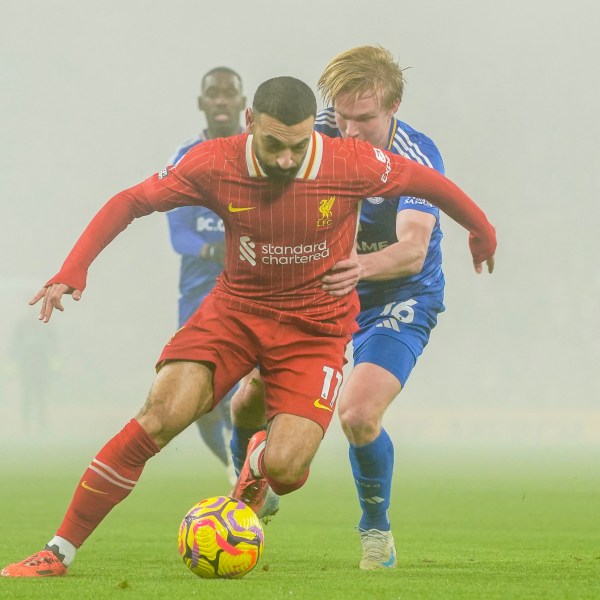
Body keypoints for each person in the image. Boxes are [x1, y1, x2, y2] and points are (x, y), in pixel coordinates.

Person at [2, 75, 495, 578]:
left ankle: (259, 461)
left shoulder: (349, 162)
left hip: (315, 331)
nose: (286, 159)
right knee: (159, 414)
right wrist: (74, 267)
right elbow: (131, 201)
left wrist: (481, 228)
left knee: (286, 470)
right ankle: (57, 552)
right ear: (250, 123)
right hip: (235, 314)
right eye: (274, 145)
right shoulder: (214, 162)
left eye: (298, 146)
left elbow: (429, 183)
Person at [229, 46, 494, 570]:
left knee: (357, 414)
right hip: (322, 293)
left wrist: (356, 266)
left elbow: (413, 248)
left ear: (393, 108)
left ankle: (376, 529)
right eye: (343, 117)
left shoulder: (416, 155)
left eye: (365, 119)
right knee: (243, 405)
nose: (351, 132)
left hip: (397, 296)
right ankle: (253, 486)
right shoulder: (316, 132)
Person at [166, 67, 246, 483]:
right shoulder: (186, 156)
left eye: (227, 93)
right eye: (212, 93)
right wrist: (213, 248)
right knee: (198, 400)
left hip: (253, 290)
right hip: (199, 293)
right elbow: (177, 232)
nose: (220, 100)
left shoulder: (257, 152)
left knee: (249, 393)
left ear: (242, 102)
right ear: (202, 102)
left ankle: (254, 465)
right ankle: (235, 469)